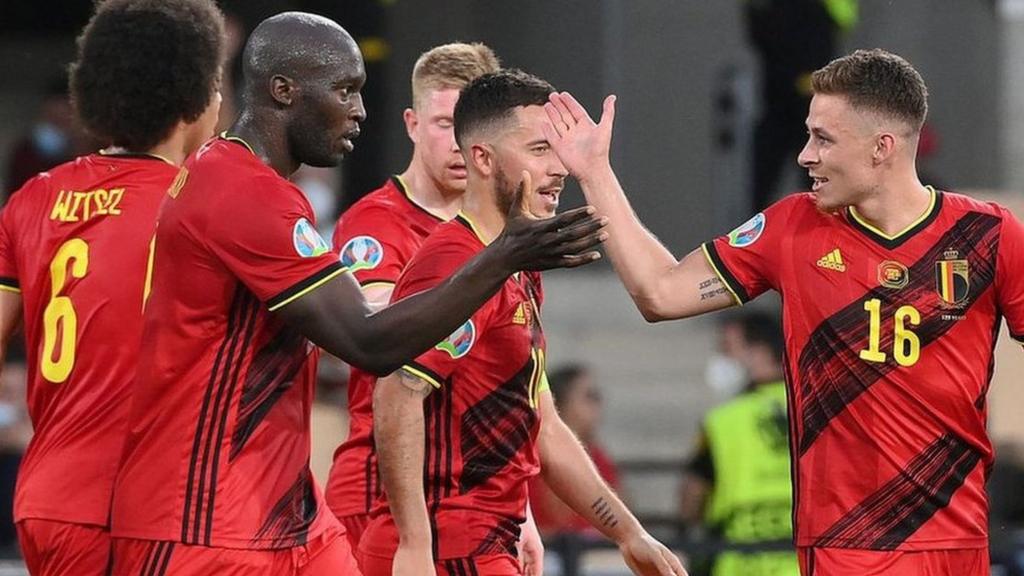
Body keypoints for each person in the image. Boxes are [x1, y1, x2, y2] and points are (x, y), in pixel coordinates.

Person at [107, 13, 606, 575]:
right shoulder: (243, 192)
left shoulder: (252, 185)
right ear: (283, 91)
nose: (360, 111)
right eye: (345, 90)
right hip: (201, 516)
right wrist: (502, 257)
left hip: (280, 507)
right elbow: (370, 341)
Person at [543, 48, 1014, 575]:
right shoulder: (792, 228)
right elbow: (660, 292)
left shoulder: (988, 237)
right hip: (846, 548)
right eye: (808, 134)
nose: (804, 155)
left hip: (958, 548)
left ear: (882, 147)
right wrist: (595, 173)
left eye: (823, 138)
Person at [360, 69, 686, 576]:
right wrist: (414, 544)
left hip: (491, 540)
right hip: (450, 550)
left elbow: (545, 426)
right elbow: (397, 394)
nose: (558, 169)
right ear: (483, 159)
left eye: (557, 150)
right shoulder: (455, 264)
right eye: (539, 150)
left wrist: (628, 533)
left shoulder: (519, 264)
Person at [0, 1, 225, 573]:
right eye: (217, 86)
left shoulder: (32, 200)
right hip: (138, 511)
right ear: (193, 101)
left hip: (46, 498)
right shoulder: (203, 204)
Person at [679, 312, 798, 576]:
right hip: (803, 563)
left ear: (758, 352)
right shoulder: (816, 412)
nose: (721, 361)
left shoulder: (723, 422)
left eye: (727, 349)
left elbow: (691, 501)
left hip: (738, 564)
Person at [527, 364, 620, 538]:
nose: (598, 405)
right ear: (559, 404)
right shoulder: (529, 457)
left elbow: (618, 526)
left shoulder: (599, 459)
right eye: (590, 397)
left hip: (591, 559)